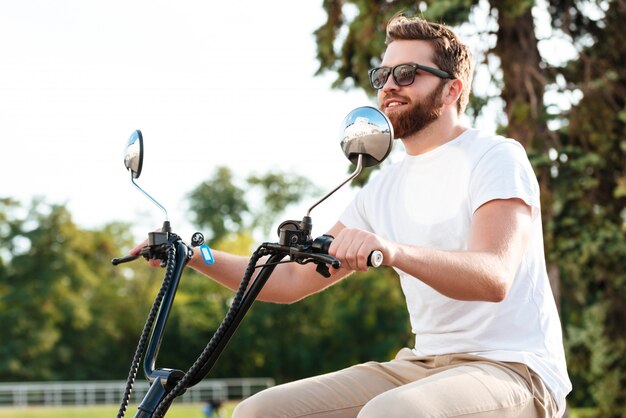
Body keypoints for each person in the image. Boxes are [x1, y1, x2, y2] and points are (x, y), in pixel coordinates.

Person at [132, 14, 571, 417]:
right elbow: (288, 280)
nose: (388, 85)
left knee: (391, 414)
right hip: (423, 365)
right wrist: (192, 256)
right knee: (258, 412)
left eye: (406, 74)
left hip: (514, 369)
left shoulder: (495, 156)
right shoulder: (381, 187)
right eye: (382, 75)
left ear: (452, 89)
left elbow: (493, 276)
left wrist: (393, 251)